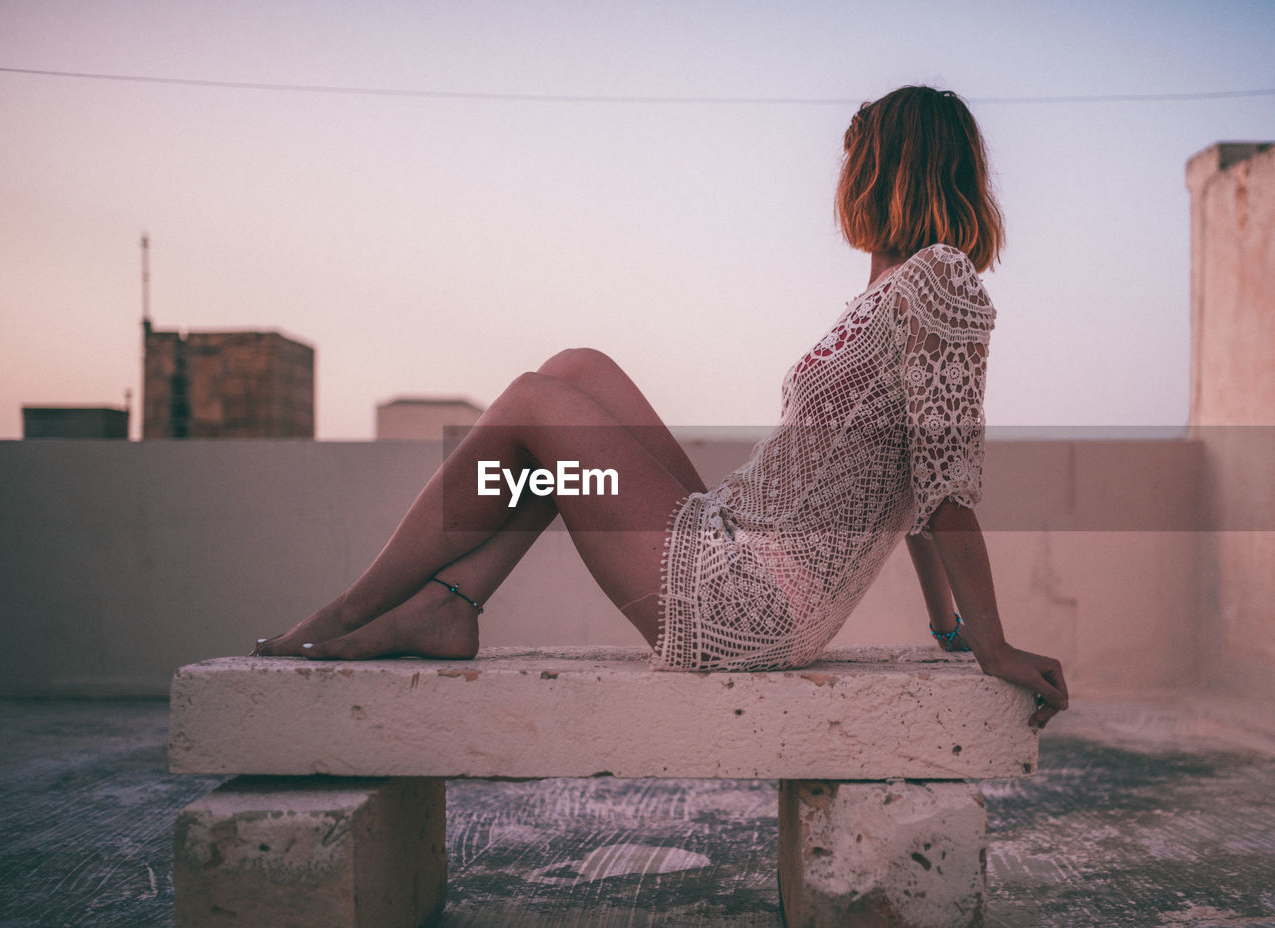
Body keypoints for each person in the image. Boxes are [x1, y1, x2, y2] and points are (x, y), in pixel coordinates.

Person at [256, 85, 1068, 729]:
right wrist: (946, 628)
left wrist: (984, 641)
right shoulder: (891, 289)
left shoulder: (940, 279)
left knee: (536, 404)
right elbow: (909, 489)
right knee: (577, 369)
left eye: (855, 157)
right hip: (735, 536)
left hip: (751, 597)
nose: (841, 177)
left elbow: (943, 481)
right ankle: (450, 604)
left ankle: (349, 610)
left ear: (888, 166)